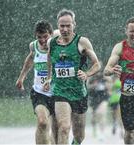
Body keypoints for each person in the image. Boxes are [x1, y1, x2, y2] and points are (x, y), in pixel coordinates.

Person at [44, 9, 101, 144]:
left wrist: (86, 74)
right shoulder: (51, 43)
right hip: (60, 92)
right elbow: (49, 60)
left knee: (79, 135)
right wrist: (49, 77)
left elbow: (97, 64)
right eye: (62, 26)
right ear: (57, 25)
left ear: (74, 24)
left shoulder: (82, 42)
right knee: (64, 127)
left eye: (68, 25)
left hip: (79, 93)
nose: (64, 29)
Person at [16, 20, 59, 144]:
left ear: (51, 34)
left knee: (56, 129)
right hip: (40, 92)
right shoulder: (33, 46)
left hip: (58, 93)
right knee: (42, 122)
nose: (42, 40)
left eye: (45, 36)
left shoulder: (58, 45)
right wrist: (21, 77)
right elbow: (30, 59)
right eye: (39, 37)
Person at [87, 71, 109, 139]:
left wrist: (107, 84)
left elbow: (110, 86)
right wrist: (93, 86)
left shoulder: (104, 78)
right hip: (94, 99)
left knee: (102, 114)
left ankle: (102, 132)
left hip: (103, 98)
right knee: (94, 117)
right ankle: (94, 130)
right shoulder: (91, 78)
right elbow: (87, 87)